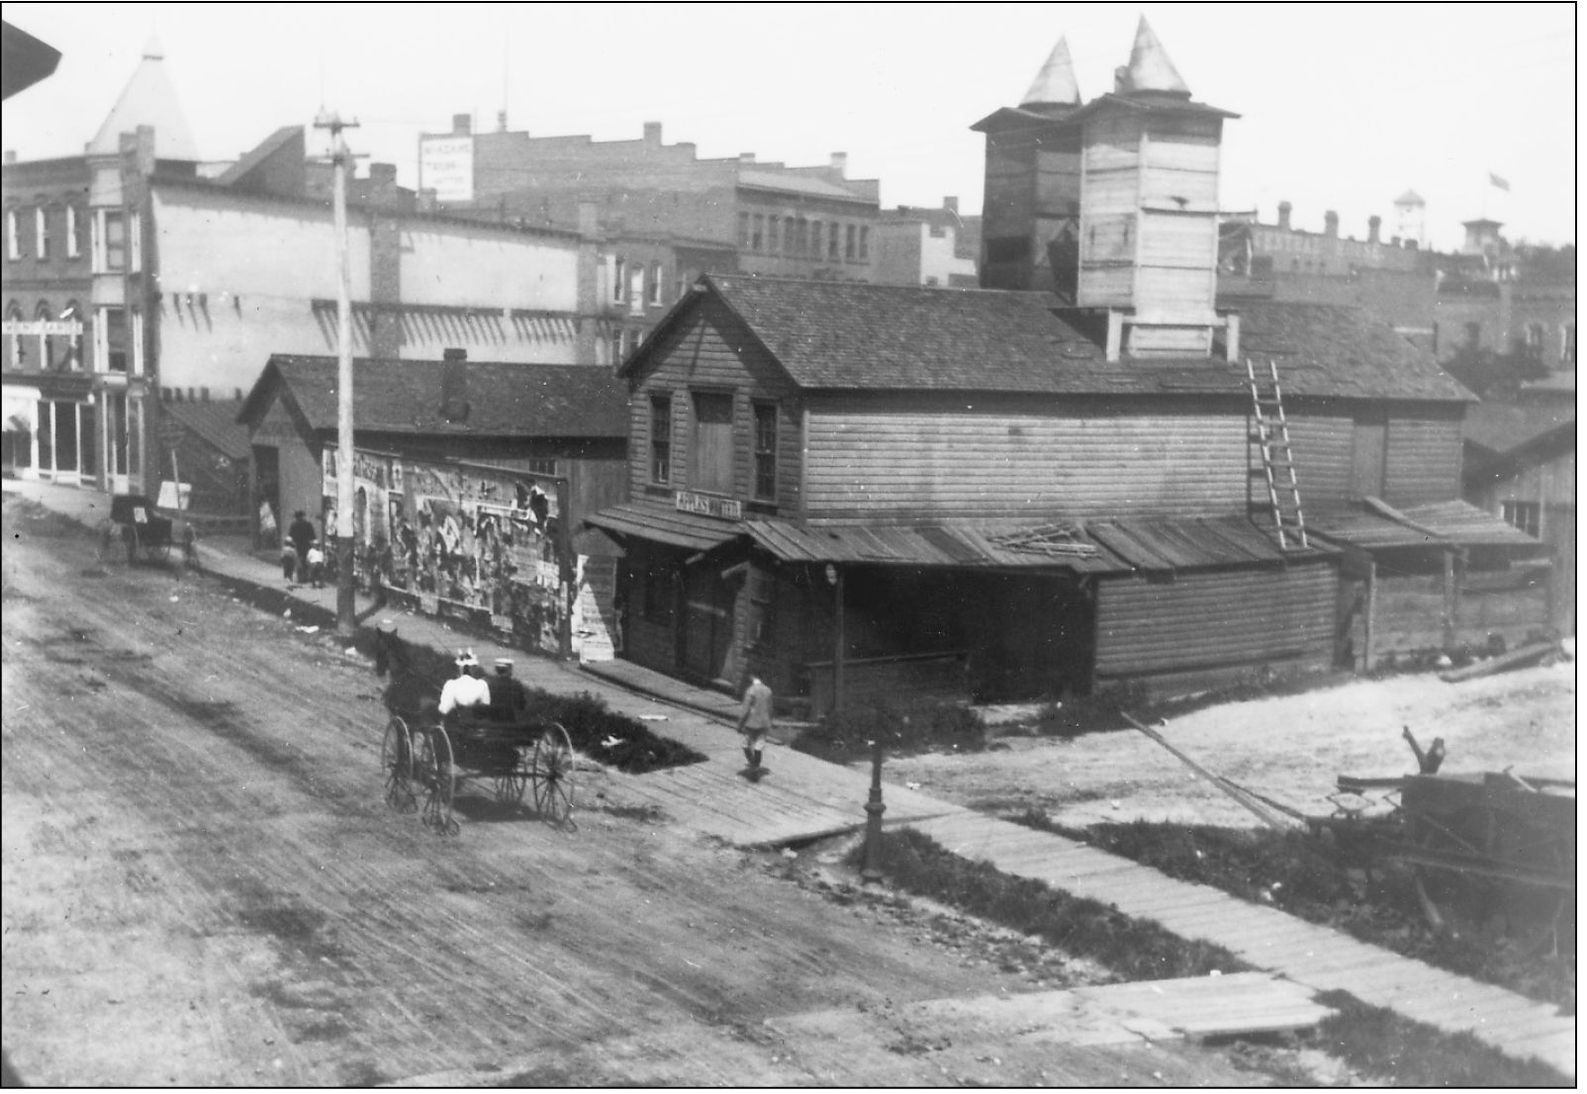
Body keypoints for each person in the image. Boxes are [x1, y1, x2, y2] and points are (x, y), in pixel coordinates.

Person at [735, 673, 774, 780]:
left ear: (752, 679)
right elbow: (770, 709)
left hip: (751, 723)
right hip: (764, 723)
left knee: (746, 745)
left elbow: (745, 710)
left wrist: (740, 724)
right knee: (759, 746)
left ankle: (753, 764)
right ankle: (756, 766)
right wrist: (770, 721)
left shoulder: (750, 691)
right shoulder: (768, 690)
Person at [438, 650, 491, 722]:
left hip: (456, 726)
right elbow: (486, 706)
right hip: (477, 726)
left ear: (460, 668)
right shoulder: (482, 685)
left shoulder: (450, 685)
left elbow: (444, 709)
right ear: (473, 669)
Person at [287, 510, 316, 585]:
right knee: (306, 560)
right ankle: (306, 576)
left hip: (297, 545)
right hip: (306, 544)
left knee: (299, 560)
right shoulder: (308, 524)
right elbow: (312, 535)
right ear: (303, 516)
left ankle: (300, 577)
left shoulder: (293, 525)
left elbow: (290, 536)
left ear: (296, 517)